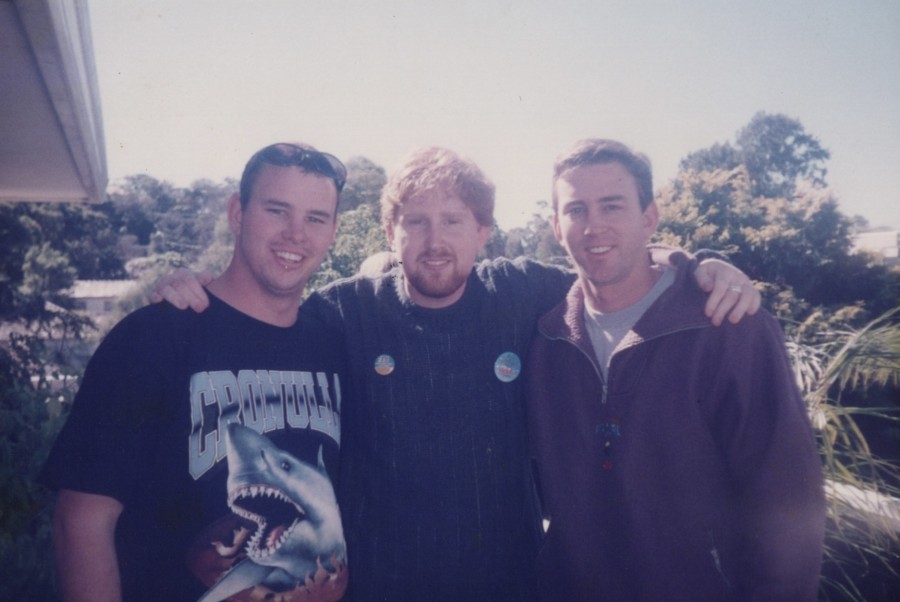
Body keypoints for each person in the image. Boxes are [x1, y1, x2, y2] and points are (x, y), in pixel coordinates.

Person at [153, 146, 761, 601]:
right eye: (416, 221)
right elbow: (263, 308)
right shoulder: (346, 310)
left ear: (483, 232)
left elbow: (614, 271)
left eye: (453, 221)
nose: (434, 240)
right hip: (380, 590)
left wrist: (695, 265)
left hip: (510, 585)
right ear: (391, 233)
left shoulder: (526, 293)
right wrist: (198, 288)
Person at [41, 143, 352, 602]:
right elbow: (81, 521)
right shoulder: (153, 337)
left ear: (333, 231)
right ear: (236, 212)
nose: (295, 234)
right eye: (276, 210)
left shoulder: (333, 343)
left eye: (314, 218)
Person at [526, 139, 825, 601]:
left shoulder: (726, 326)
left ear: (650, 218)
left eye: (612, 206)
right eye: (576, 210)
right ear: (556, 226)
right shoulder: (548, 340)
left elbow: (785, 496)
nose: (594, 226)